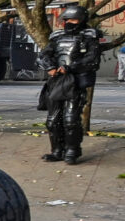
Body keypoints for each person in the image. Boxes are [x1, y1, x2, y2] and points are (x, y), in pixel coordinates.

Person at [38, 5, 100, 165]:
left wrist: (70, 67)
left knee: (70, 120)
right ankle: (57, 151)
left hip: (75, 82)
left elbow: (92, 60)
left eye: (72, 20)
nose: (68, 23)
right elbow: (44, 55)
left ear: (81, 20)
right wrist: (50, 67)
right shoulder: (57, 37)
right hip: (56, 81)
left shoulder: (89, 37)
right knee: (52, 120)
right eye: (66, 20)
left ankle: (72, 150)